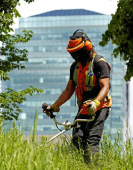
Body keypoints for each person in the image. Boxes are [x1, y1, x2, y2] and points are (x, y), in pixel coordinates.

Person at [42, 29, 112, 163]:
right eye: (73, 53)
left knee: (92, 140)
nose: (76, 56)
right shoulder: (75, 67)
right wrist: (55, 106)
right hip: (84, 107)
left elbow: (105, 87)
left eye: (78, 52)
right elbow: (68, 91)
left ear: (88, 47)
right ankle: (83, 168)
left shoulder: (99, 63)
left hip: (100, 106)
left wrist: (96, 103)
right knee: (77, 139)